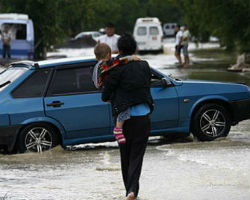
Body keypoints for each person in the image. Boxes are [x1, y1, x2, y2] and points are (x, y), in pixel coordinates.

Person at [101, 34, 154, 200]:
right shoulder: (144, 65)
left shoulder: (115, 68)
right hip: (143, 117)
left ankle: (129, 191)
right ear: (135, 49)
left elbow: (105, 95)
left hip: (123, 121)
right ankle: (132, 191)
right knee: (137, 156)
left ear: (120, 49)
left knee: (125, 156)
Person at [93, 43, 140, 144]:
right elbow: (119, 61)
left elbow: (95, 83)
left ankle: (119, 127)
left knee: (120, 106)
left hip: (105, 90)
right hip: (108, 89)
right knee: (124, 105)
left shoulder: (96, 66)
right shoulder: (106, 63)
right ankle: (118, 129)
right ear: (108, 55)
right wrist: (131, 58)